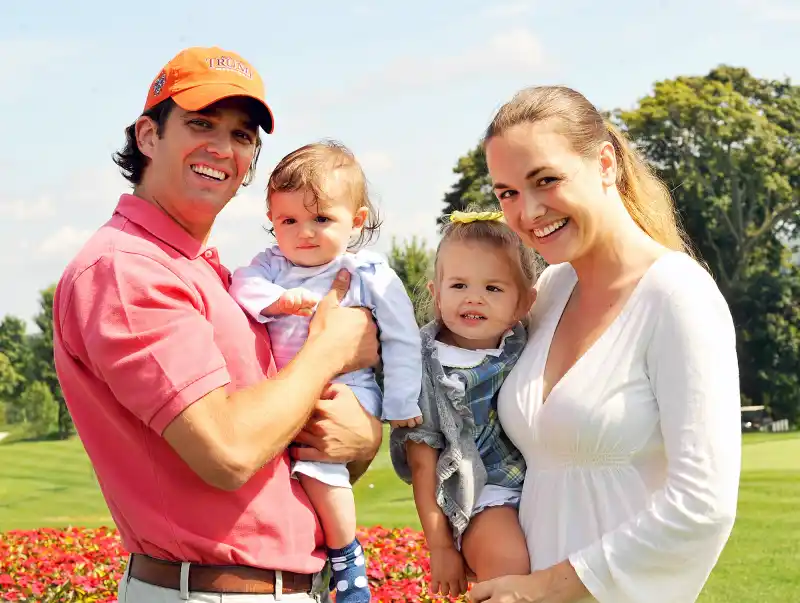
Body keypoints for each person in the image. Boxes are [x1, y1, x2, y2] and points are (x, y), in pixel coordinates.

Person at [52, 46, 382, 603]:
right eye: (200, 123)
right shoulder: (126, 268)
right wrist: (328, 350)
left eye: (242, 135)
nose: (223, 148)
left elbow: (285, 439)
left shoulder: (206, 271)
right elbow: (227, 451)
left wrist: (363, 438)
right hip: (210, 591)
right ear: (148, 136)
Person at [467, 85, 742, 603]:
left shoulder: (677, 296)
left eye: (545, 180)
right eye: (506, 192)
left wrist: (547, 588)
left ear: (605, 163)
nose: (527, 212)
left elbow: (703, 504)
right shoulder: (548, 292)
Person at [229, 140, 423, 603]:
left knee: (319, 469)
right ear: (272, 221)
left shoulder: (366, 272)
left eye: (321, 219)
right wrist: (275, 301)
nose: (305, 234)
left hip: (346, 388)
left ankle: (346, 555)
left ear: (355, 221)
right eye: (288, 221)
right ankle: (312, 554)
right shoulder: (271, 267)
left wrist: (399, 402)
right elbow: (242, 285)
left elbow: (401, 338)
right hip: (286, 388)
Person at [391, 209, 538, 598]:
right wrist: (439, 547)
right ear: (436, 294)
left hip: (545, 486)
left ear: (524, 303)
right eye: (458, 285)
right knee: (508, 566)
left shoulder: (527, 344)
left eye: (493, 288)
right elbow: (424, 465)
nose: (474, 297)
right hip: (480, 496)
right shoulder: (424, 366)